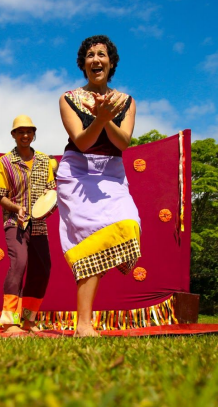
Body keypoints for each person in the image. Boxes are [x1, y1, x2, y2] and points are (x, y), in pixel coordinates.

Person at [57, 35, 141, 337]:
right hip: (78, 173)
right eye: (90, 55)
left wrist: (106, 118)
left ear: (111, 62)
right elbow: (82, 140)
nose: (96, 59)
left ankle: (84, 322)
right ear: (83, 64)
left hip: (112, 174)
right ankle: (83, 324)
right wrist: (99, 119)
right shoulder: (68, 98)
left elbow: (123, 141)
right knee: (91, 242)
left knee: (127, 225)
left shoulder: (127, 101)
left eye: (102, 54)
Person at [0, 115, 56, 334]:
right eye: (20, 132)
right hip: (15, 222)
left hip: (39, 224)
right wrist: (17, 209)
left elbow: (51, 191)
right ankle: (10, 322)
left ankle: (28, 321)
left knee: (42, 270)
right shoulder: (4, 162)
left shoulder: (46, 161)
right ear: (13, 135)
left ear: (34, 134)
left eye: (29, 131)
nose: (25, 135)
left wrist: (50, 204)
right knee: (19, 263)